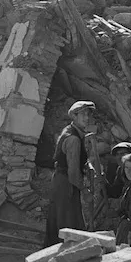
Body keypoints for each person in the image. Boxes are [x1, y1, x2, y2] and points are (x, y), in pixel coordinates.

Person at [44, 101, 96, 247]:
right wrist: (85, 191)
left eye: (88, 114)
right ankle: (65, 258)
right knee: (68, 222)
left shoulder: (72, 131)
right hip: (66, 183)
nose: (86, 118)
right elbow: (73, 173)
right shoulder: (73, 139)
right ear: (74, 116)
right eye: (83, 114)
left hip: (61, 180)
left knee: (60, 219)